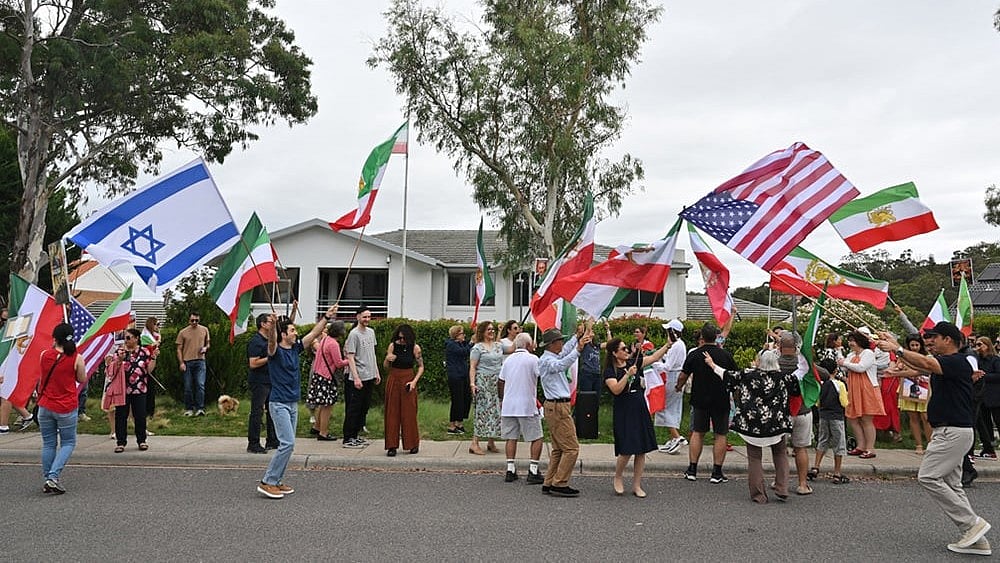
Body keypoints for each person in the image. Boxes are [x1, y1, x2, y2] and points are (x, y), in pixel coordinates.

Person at [877, 322, 993, 556]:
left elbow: (927, 363)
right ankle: (977, 540)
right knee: (952, 485)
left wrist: (897, 348)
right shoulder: (947, 364)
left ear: (948, 339)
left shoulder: (956, 361)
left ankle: (972, 524)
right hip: (953, 431)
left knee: (928, 477)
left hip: (952, 431)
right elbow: (921, 366)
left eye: (934, 337)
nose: (929, 341)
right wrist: (895, 352)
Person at [257, 304, 337, 499]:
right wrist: (275, 326)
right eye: (292, 330)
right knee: (287, 443)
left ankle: (276, 480)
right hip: (278, 403)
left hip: (292, 403)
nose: (296, 332)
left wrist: (326, 316)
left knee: (289, 445)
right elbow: (271, 344)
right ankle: (268, 481)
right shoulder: (275, 351)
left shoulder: (295, 348)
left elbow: (313, 333)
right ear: (283, 335)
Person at [705, 350, 800, 503]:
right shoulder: (784, 378)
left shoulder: (748, 375)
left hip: (752, 425)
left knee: (755, 458)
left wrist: (712, 364)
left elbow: (727, 375)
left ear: (760, 362)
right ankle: (782, 488)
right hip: (777, 424)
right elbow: (797, 387)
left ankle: (759, 494)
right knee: (780, 454)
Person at [604, 336, 671, 498]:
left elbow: (654, 357)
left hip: (639, 405)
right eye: (623, 348)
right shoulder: (610, 371)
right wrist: (627, 375)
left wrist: (667, 345)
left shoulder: (634, 362)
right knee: (627, 448)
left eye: (627, 347)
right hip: (624, 408)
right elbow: (616, 390)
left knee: (641, 449)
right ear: (614, 353)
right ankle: (618, 476)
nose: (627, 350)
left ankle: (637, 484)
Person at [675, 322, 737, 484]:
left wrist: (679, 386)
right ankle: (717, 472)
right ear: (716, 337)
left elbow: (683, 375)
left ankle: (692, 469)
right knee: (720, 434)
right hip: (721, 399)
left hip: (700, 399)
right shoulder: (726, 355)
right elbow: (734, 377)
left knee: (698, 432)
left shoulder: (695, 354)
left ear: (702, 337)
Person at [538, 325, 592, 497]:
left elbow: (564, 353)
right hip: (558, 407)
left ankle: (550, 481)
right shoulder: (547, 361)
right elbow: (561, 364)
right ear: (553, 343)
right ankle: (559, 483)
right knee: (571, 448)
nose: (562, 343)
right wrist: (578, 349)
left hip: (556, 406)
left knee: (559, 448)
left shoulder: (550, 356)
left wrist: (576, 338)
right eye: (560, 340)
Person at [36, 322, 88, 494]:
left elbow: (42, 377)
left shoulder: (44, 355)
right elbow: (82, 379)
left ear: (54, 338)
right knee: (68, 442)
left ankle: (48, 478)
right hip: (65, 406)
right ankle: (53, 477)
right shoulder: (76, 358)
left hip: (45, 405)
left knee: (49, 444)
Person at [497, 332, 543, 484]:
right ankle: (533, 469)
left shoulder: (508, 361)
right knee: (536, 437)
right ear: (529, 345)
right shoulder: (533, 359)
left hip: (509, 404)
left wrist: (502, 399)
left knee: (511, 437)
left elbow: (501, 381)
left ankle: (510, 468)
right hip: (526, 404)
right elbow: (541, 375)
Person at [106, 328, 156, 452]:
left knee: (140, 415)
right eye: (125, 338)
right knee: (121, 415)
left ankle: (141, 440)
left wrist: (154, 358)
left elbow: (149, 370)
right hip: (123, 389)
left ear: (136, 338)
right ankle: (121, 442)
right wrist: (119, 360)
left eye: (128, 338)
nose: (126, 340)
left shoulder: (144, 352)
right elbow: (112, 371)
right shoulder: (120, 352)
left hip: (140, 388)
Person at [839, 330, 884, 459]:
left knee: (866, 419)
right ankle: (860, 446)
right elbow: (844, 367)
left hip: (867, 388)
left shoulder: (868, 353)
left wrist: (845, 363)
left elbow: (861, 367)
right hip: (854, 389)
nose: (850, 343)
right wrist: (844, 363)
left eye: (853, 340)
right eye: (850, 340)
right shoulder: (851, 354)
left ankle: (870, 448)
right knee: (852, 418)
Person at [777, 331, 813, 495]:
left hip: (781, 412)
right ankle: (802, 484)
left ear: (780, 346)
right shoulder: (804, 364)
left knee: (780, 449)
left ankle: (780, 481)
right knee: (801, 448)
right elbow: (824, 375)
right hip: (803, 410)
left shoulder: (774, 363)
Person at [887, 335, 934, 454]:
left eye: (917, 345)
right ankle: (918, 445)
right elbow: (898, 367)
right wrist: (896, 369)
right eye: (912, 345)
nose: (914, 348)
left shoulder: (927, 357)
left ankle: (930, 443)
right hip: (908, 387)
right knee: (913, 417)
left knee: (925, 417)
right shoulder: (903, 357)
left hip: (924, 389)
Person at [383, 323, 423, 456]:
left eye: (403, 338)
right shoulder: (393, 346)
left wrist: (414, 382)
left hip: (408, 378)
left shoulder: (415, 348)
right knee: (392, 413)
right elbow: (386, 366)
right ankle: (391, 445)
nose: (401, 341)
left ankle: (412, 443)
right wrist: (388, 359)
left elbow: (421, 367)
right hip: (394, 378)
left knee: (409, 413)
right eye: (399, 338)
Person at [343, 305, 380, 448]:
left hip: (370, 375)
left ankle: (356, 434)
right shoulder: (354, 334)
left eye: (369, 317)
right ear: (358, 317)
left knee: (364, 407)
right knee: (354, 408)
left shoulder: (371, 332)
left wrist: (376, 371)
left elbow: (372, 353)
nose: (367, 319)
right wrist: (356, 377)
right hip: (358, 377)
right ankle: (348, 437)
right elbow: (350, 357)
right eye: (364, 317)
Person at [810, 362, 850, 484]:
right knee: (839, 444)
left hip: (824, 416)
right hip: (836, 417)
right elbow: (844, 402)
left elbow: (817, 402)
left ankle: (816, 467)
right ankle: (837, 472)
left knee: (822, 441)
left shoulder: (820, 385)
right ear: (835, 371)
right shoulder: (840, 385)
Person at [310, 320, 349, 441]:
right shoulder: (334, 344)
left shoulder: (325, 339)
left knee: (321, 404)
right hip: (327, 377)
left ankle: (316, 426)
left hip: (318, 374)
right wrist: (350, 360)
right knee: (328, 405)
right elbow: (338, 363)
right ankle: (323, 432)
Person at [469, 320, 502, 455]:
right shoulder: (478, 348)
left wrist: (524, 340)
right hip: (483, 380)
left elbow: (512, 348)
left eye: (493, 329)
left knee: (494, 412)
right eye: (489, 329)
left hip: (496, 381)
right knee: (482, 411)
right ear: (482, 332)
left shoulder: (498, 346)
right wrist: (472, 383)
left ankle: (491, 441)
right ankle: (474, 443)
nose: (492, 331)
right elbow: (472, 367)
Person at [246, 314, 278, 453]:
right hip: (259, 381)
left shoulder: (269, 340)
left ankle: (272, 440)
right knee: (257, 412)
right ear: (263, 324)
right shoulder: (256, 341)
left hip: (270, 379)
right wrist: (268, 358)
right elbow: (253, 363)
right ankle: (253, 443)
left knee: (272, 411)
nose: (273, 324)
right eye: (271, 322)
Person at [656, 320, 688, 454]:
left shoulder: (676, 346)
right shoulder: (678, 345)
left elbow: (668, 367)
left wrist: (654, 363)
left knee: (664, 407)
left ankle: (677, 437)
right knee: (672, 408)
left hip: (673, 377)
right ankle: (673, 438)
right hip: (675, 376)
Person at [176, 311, 210, 416]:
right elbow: (178, 349)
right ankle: (189, 409)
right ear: (189, 321)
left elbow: (208, 343)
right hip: (187, 362)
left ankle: (200, 408)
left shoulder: (204, 330)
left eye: (197, 320)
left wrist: (205, 348)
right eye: (192, 320)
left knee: (200, 385)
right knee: (188, 386)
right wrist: (181, 363)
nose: (194, 322)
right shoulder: (183, 332)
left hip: (200, 361)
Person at [975, 337, 1000, 459]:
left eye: (980, 344)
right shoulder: (977, 360)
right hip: (982, 397)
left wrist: (984, 376)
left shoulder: (995, 360)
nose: (978, 347)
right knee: (985, 423)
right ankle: (988, 446)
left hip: (995, 396)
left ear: (987, 345)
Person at [444, 325, 472, 434]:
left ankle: (459, 423)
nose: (464, 335)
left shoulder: (459, 344)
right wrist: (471, 344)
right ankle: (452, 425)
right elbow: (464, 352)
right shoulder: (451, 345)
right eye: (461, 333)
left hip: (463, 375)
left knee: (465, 399)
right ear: (456, 335)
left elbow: (466, 345)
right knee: (457, 400)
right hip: (455, 376)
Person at [140, 316, 162, 422]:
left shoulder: (156, 336)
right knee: (146, 389)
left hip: (153, 363)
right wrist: (154, 345)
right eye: (156, 324)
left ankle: (151, 411)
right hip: (145, 365)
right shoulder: (144, 336)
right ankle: (145, 411)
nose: (158, 327)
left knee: (151, 389)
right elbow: (145, 349)